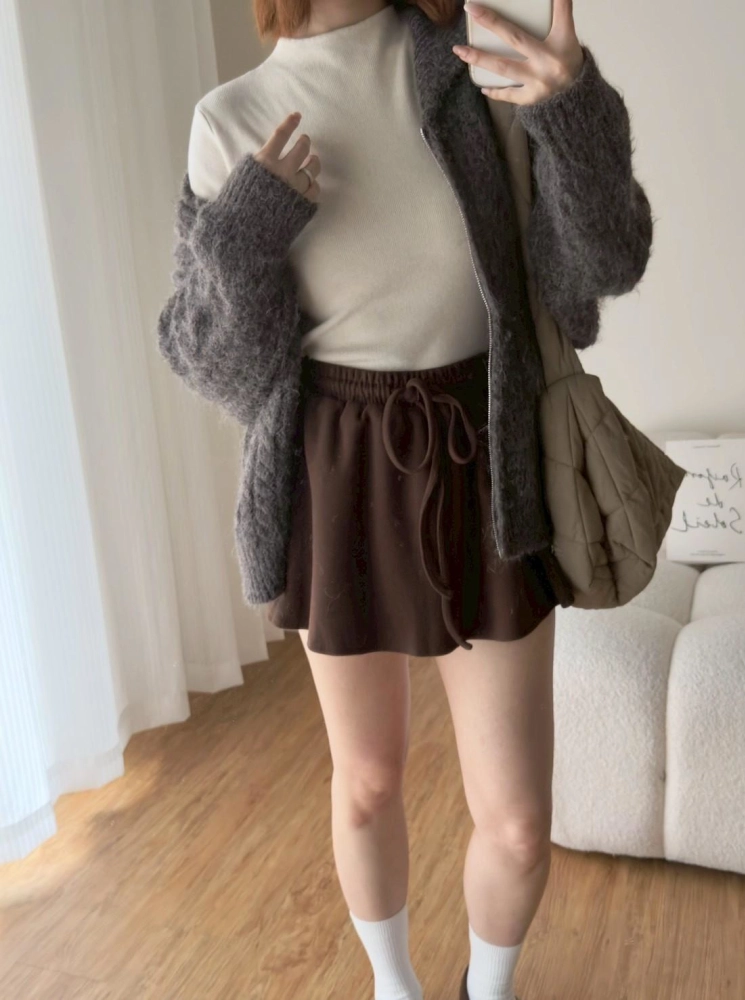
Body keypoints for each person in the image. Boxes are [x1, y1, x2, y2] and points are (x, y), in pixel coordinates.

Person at [157, 0, 654, 997]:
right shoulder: (230, 117)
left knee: (518, 822)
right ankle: (394, 986)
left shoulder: (473, 66)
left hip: (489, 450)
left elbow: (601, 272)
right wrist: (244, 237)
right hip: (331, 467)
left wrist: (574, 112)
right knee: (369, 781)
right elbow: (218, 370)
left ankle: (486, 989)